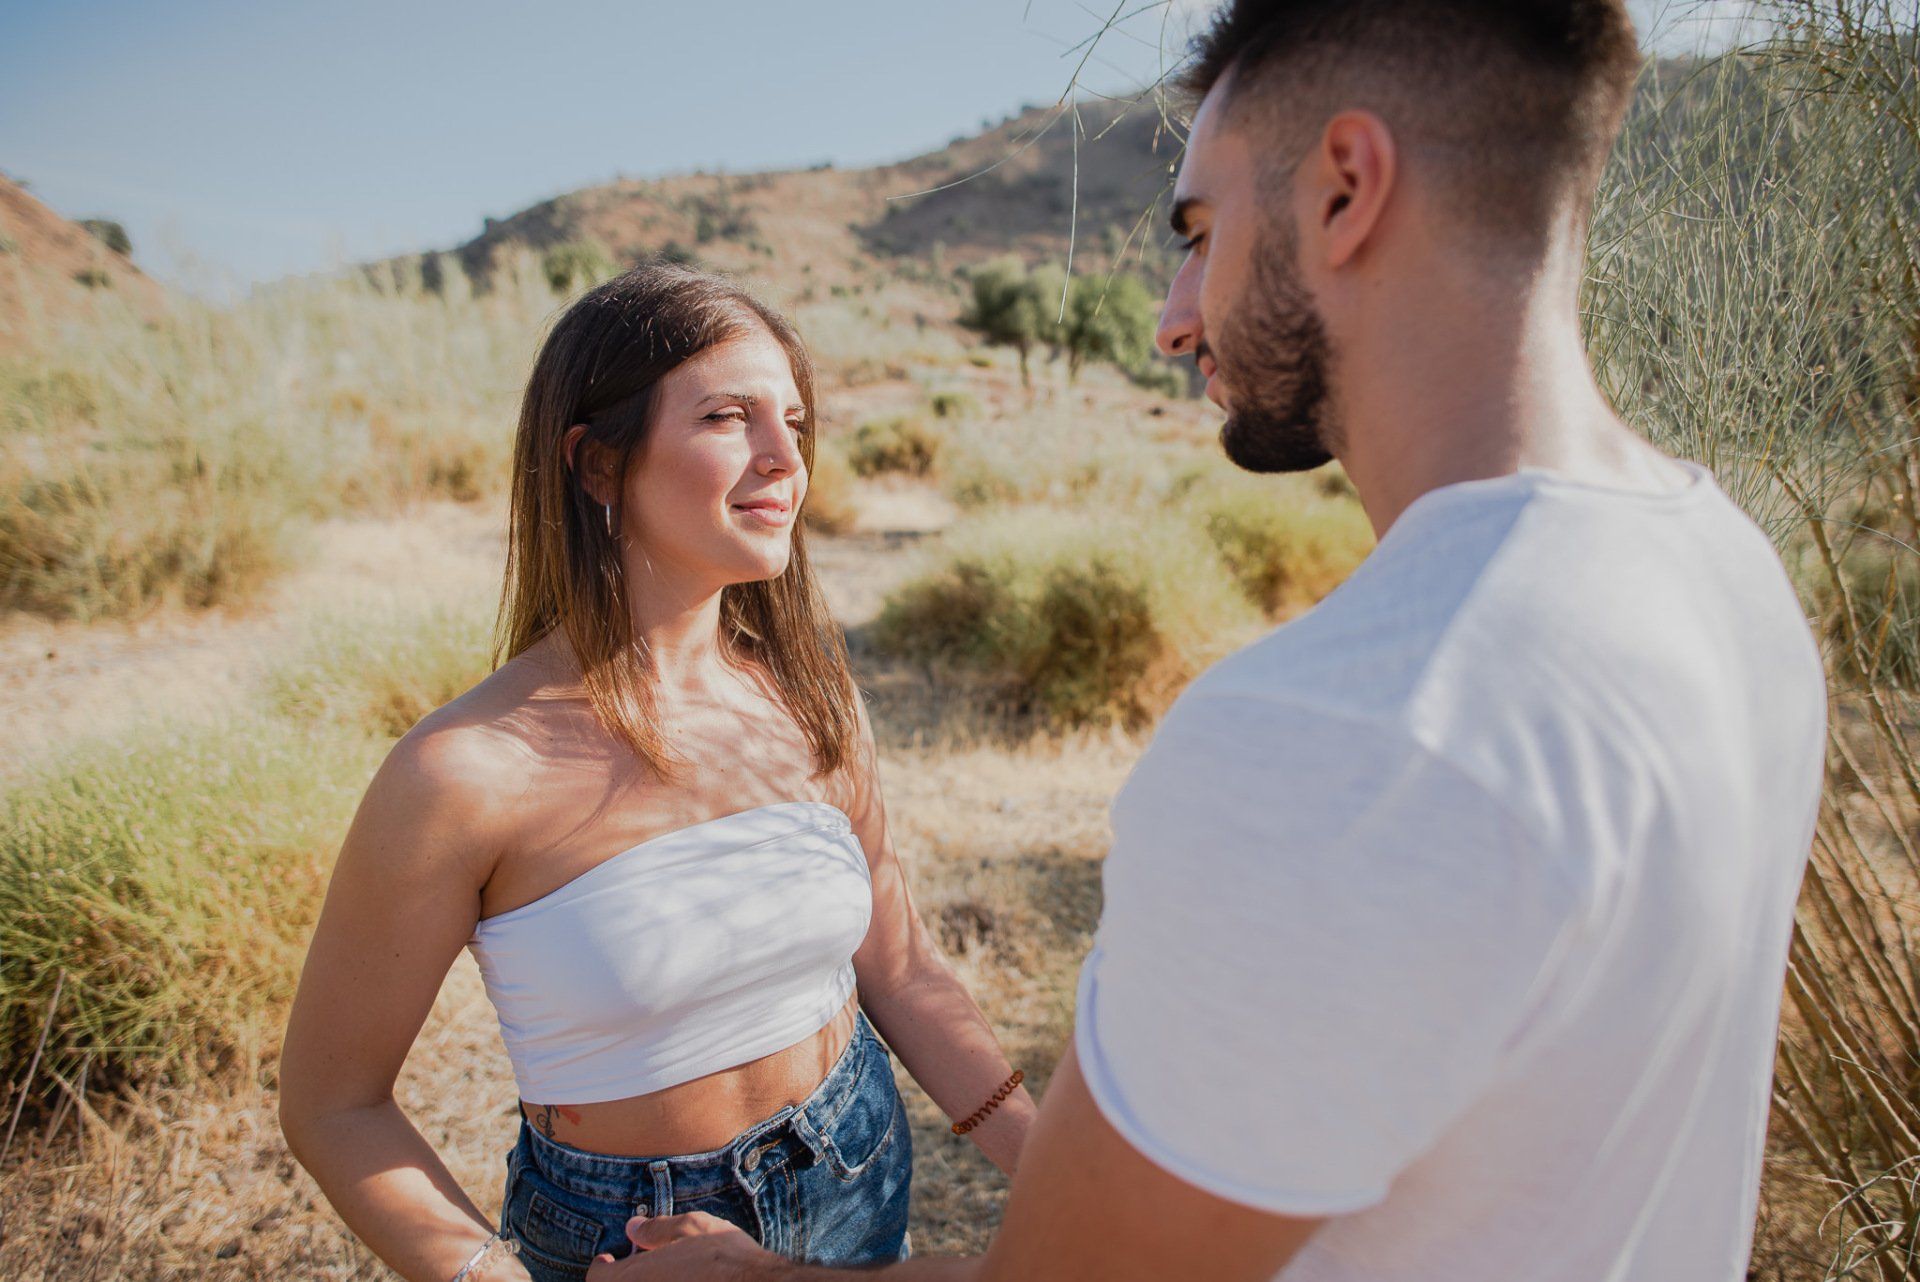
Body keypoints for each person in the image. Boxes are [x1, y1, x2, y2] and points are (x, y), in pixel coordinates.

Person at [597, 2, 1828, 1279]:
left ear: (1347, 189)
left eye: (1199, 235)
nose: (1175, 319)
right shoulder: (1725, 567)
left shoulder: (1341, 736)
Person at [277, 264, 1036, 1282]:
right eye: (728, 416)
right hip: (621, 1236)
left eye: (795, 421)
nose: (785, 458)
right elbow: (334, 1105)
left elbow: (899, 967)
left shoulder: (813, 694)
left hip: (856, 1165)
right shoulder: (462, 775)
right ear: (595, 465)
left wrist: (1038, 1162)